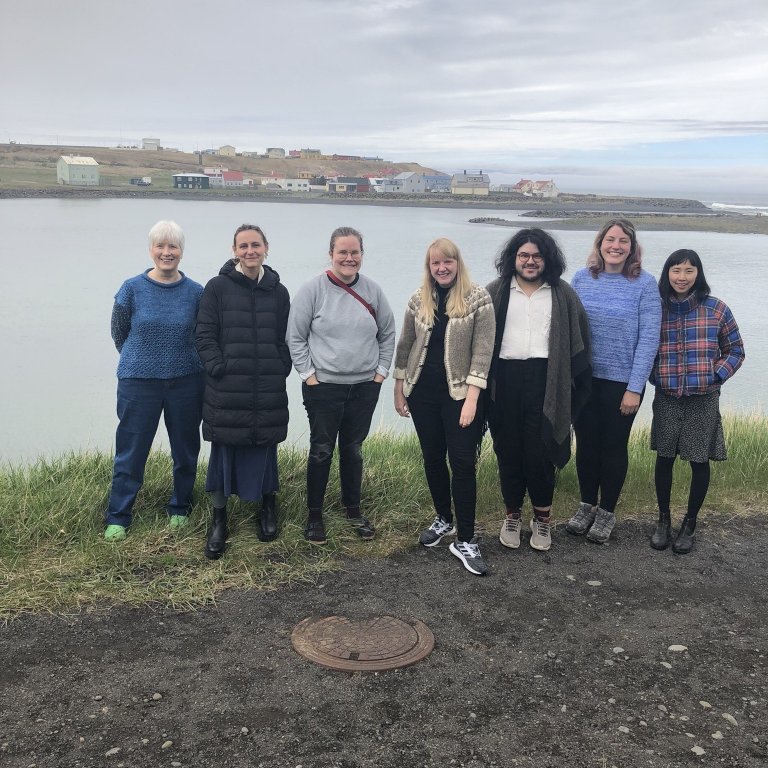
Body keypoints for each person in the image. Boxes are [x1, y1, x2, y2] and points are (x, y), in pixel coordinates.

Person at [287, 226, 395, 544]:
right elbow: (295, 336)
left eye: (354, 252)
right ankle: (315, 516)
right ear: (331, 254)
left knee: (353, 450)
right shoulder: (312, 290)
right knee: (321, 450)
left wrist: (381, 373)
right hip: (324, 387)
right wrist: (308, 375)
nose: (349, 258)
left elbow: (387, 333)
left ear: (362, 254)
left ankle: (353, 511)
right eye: (342, 252)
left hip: (364, 386)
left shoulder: (373, 291)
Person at [486, 229, 591, 553]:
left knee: (541, 452)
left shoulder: (563, 294)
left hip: (548, 380)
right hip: (504, 381)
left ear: (547, 259)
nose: (530, 261)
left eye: (536, 256)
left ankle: (542, 520)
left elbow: (580, 342)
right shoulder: (495, 292)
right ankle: (513, 516)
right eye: (523, 255)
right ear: (513, 259)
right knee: (509, 452)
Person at [394, 238, 495, 575]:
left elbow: (483, 352)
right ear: (429, 267)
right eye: (435, 263)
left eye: (447, 262)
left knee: (463, 463)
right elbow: (405, 345)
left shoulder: (478, 298)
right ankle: (443, 518)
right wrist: (399, 389)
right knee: (433, 458)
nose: (442, 268)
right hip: (421, 393)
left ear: (457, 262)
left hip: (460, 396)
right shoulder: (417, 300)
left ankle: (465, 539)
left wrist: (471, 400)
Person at [195, 224, 291, 559]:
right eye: (243, 246)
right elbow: (204, 335)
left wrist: (281, 366)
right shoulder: (217, 288)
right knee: (224, 451)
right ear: (235, 250)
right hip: (228, 385)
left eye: (256, 245)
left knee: (265, 448)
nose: (250, 251)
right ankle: (219, 518)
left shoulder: (278, 291)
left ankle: (267, 508)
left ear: (266, 247)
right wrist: (218, 367)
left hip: (267, 383)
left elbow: (284, 338)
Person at [104, 220, 204, 541]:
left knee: (186, 450)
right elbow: (119, 334)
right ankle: (119, 516)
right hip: (138, 383)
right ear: (150, 250)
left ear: (181, 251)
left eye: (172, 246)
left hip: (187, 381)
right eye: (160, 246)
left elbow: (203, 337)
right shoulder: (131, 288)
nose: (166, 252)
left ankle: (180, 507)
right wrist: (141, 359)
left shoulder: (196, 293)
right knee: (131, 452)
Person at [566, 219, 661, 543]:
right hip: (585, 380)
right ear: (600, 243)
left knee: (613, 447)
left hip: (622, 383)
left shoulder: (645, 285)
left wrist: (635, 388)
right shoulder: (581, 278)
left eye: (623, 241)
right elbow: (568, 329)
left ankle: (606, 512)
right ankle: (586, 505)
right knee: (586, 445)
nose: (616, 246)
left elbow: (649, 338)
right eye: (610, 239)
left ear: (632, 248)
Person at [649, 249, 744, 554]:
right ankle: (663, 520)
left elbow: (735, 350)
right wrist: (656, 375)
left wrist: (715, 376)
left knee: (699, 460)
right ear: (667, 274)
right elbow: (644, 346)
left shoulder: (716, 309)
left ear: (698, 274)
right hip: (667, 397)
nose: (682, 277)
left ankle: (689, 523)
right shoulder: (657, 308)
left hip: (703, 398)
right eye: (676, 270)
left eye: (689, 271)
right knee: (664, 458)